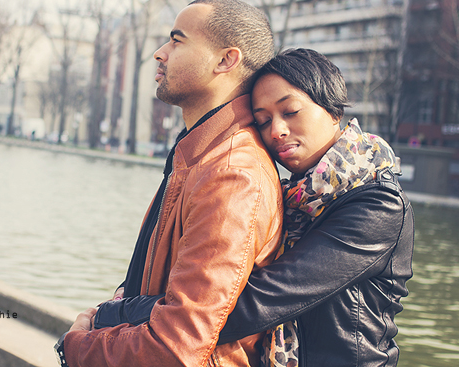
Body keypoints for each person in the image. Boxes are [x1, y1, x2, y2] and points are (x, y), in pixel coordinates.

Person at [92, 48, 415, 367]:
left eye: (290, 112)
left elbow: (256, 302)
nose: (277, 131)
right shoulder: (294, 196)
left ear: (333, 111)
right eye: (263, 121)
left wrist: (120, 312)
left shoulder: (378, 206)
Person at [55, 0, 283, 367]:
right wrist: (110, 313)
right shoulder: (198, 153)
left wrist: (78, 346)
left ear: (226, 60)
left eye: (177, 41)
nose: (161, 53)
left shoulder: (232, 175)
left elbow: (176, 347)